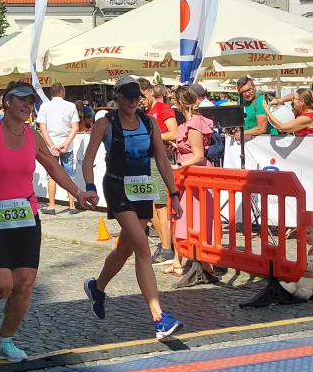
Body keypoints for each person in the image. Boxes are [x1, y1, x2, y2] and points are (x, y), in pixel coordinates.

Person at [0, 81, 97, 362]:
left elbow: (53, 168)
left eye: (31, 102)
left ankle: (5, 340)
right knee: (1, 284)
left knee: (24, 283)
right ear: (7, 102)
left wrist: (78, 192)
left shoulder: (33, 136)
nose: (27, 106)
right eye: (22, 100)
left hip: (26, 216)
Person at [81, 75, 184, 341]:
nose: (131, 103)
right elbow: (88, 158)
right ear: (116, 98)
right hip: (117, 188)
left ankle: (97, 286)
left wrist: (173, 194)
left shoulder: (149, 123)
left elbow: (161, 159)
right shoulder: (105, 123)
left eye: (136, 98)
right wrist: (90, 187)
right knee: (142, 246)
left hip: (143, 188)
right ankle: (159, 318)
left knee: (125, 248)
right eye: (126, 98)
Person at [164, 86, 217, 277]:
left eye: (173, 100)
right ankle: (180, 261)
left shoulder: (194, 123)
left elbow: (198, 155)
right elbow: (189, 151)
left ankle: (204, 262)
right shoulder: (186, 124)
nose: (172, 104)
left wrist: (178, 166)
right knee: (183, 217)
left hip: (196, 174)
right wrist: (177, 151)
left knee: (197, 218)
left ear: (180, 103)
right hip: (188, 174)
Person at [141, 83, 177, 266]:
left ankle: (167, 249)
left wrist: (151, 135)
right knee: (149, 205)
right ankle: (166, 244)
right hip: (145, 160)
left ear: (149, 92)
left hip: (158, 160)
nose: (139, 100)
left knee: (160, 204)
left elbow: (174, 133)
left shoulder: (163, 108)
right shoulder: (144, 112)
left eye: (141, 95)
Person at [36, 83, 79, 215]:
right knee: (69, 174)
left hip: (51, 146)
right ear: (62, 92)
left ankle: (52, 206)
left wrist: (51, 145)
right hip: (67, 146)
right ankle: (72, 206)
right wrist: (65, 144)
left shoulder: (45, 106)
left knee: (51, 176)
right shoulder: (71, 106)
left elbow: (42, 129)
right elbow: (75, 127)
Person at [233, 76, 278, 140]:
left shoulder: (260, 100)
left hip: (265, 142)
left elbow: (262, 129)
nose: (247, 94)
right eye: (243, 92)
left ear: (254, 87)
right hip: (250, 141)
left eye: (249, 90)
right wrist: (235, 130)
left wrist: (243, 133)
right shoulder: (240, 100)